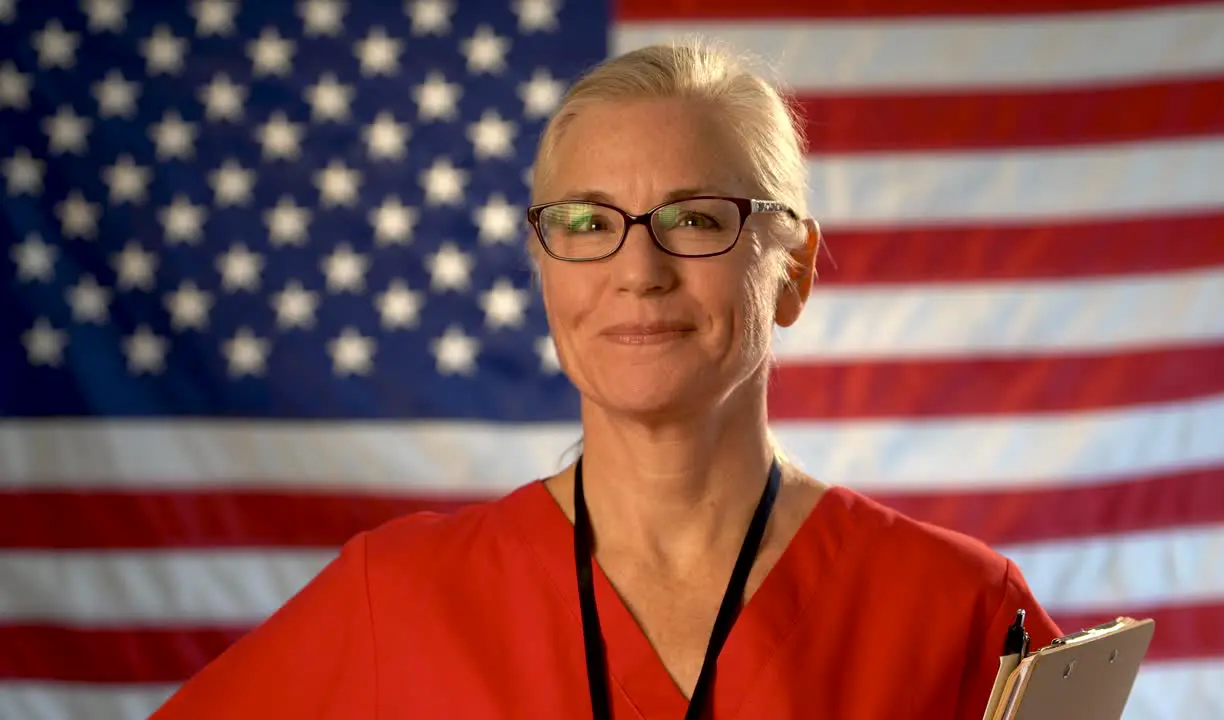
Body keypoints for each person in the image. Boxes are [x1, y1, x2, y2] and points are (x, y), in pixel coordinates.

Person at [151, 40, 1060, 720]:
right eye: (587, 221)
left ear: (794, 270)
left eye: (697, 218)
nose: (638, 270)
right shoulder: (395, 599)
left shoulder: (965, 616)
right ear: (544, 262)